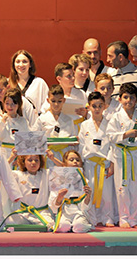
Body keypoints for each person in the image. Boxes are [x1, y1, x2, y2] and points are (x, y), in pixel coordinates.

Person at [78, 91, 116, 227]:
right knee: (91, 191)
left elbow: (113, 145)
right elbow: (81, 145)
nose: (97, 109)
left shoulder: (110, 124)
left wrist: (112, 164)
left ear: (105, 106)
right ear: (89, 107)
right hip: (90, 163)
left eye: (100, 106)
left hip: (104, 163)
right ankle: (92, 217)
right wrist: (81, 165)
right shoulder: (84, 125)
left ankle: (108, 217)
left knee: (107, 192)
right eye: (94, 106)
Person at [108, 82, 137, 228]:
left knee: (135, 188)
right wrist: (126, 134)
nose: (129, 101)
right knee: (122, 188)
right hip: (121, 156)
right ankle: (124, 218)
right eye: (125, 97)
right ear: (119, 99)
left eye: (132, 97)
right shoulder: (116, 117)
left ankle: (134, 218)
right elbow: (110, 136)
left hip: (135, 154)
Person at [49, 150, 93, 233]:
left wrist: (88, 196)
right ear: (64, 164)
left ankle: (78, 225)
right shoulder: (57, 181)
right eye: (71, 160)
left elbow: (85, 207)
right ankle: (68, 226)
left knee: (79, 226)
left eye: (77, 160)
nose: (75, 162)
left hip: (79, 211)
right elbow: (53, 206)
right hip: (64, 212)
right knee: (63, 227)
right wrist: (59, 197)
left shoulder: (85, 181)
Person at [5, 154, 54, 229]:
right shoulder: (18, 174)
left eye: (36, 160)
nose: (33, 162)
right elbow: (2, 171)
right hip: (24, 213)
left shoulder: (46, 174)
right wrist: (12, 157)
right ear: (23, 162)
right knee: (9, 221)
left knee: (50, 226)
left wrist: (53, 158)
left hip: (42, 213)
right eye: (30, 160)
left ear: (40, 162)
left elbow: (64, 170)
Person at [36, 85, 77, 167]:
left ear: (64, 100)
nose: (56, 104)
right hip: (48, 155)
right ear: (48, 100)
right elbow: (36, 141)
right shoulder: (42, 119)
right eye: (53, 101)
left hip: (64, 156)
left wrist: (74, 141)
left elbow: (73, 143)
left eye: (59, 101)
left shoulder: (68, 120)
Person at [0, 88, 35, 166]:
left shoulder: (23, 121)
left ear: (19, 104)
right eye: (7, 103)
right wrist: (3, 121)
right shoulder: (0, 120)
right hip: (5, 153)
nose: (10, 106)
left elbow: (28, 140)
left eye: (13, 104)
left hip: (19, 155)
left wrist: (22, 155)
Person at [9, 49, 49, 114]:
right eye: (18, 62)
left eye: (24, 61)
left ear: (30, 64)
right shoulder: (8, 83)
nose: (21, 65)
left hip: (35, 119)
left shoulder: (39, 83)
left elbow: (47, 105)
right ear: (14, 64)